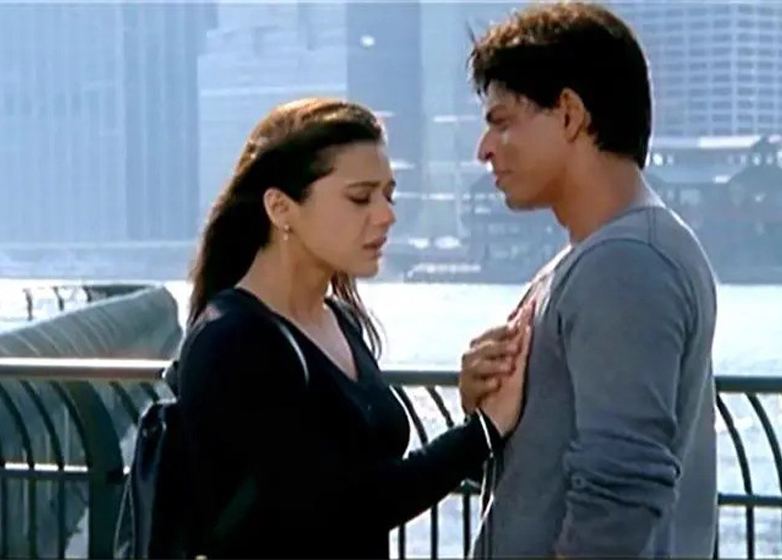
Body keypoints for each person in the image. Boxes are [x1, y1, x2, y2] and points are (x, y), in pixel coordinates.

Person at [175, 98, 528, 558]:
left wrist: (476, 406)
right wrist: (481, 432)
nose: (386, 215)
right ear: (281, 208)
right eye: (360, 197)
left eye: (388, 195)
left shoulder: (339, 320)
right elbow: (339, 509)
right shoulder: (233, 340)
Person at [458, 3, 719, 558]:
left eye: (502, 122)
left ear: (570, 115)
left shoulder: (626, 262)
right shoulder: (601, 256)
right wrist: (488, 414)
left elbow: (620, 489)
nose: (485, 149)